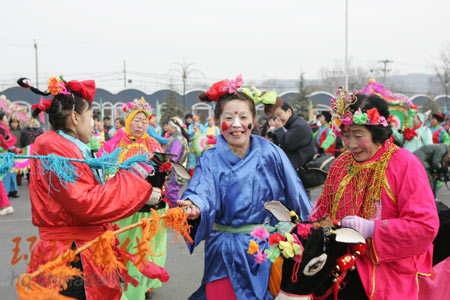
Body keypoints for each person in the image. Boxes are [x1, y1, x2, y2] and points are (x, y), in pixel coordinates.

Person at [19, 76, 153, 299]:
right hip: (72, 253)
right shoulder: (54, 146)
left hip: (82, 247)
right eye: (91, 116)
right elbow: (84, 202)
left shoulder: (68, 145)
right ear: (74, 117)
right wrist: (135, 186)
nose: (94, 123)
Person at [178, 76, 312, 300]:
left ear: (254, 121)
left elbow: (295, 195)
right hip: (222, 253)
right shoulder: (210, 158)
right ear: (217, 120)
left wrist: (309, 230)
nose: (236, 124)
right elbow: (202, 189)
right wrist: (194, 206)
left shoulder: (271, 153)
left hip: (261, 251)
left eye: (243, 117)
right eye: (228, 118)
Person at [310, 89, 439, 300]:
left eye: (358, 135)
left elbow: (425, 226)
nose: (350, 144)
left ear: (377, 133)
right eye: (346, 135)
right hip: (338, 266)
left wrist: (372, 229)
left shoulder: (404, 164)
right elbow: (322, 211)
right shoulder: (341, 163)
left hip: (388, 271)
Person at [99, 97, 166, 300]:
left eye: (144, 121)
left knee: (147, 249)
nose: (140, 125)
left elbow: (163, 169)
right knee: (124, 247)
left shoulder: (153, 143)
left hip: (149, 205)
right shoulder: (114, 144)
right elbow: (103, 170)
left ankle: (143, 283)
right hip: (123, 206)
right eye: (136, 120)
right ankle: (124, 282)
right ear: (128, 121)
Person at [267, 99, 315, 186]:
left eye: (279, 114)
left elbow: (287, 144)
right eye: (275, 117)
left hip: (298, 171)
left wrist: (279, 129)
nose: (278, 119)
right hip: (296, 169)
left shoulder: (298, 126)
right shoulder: (294, 124)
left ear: (289, 111)